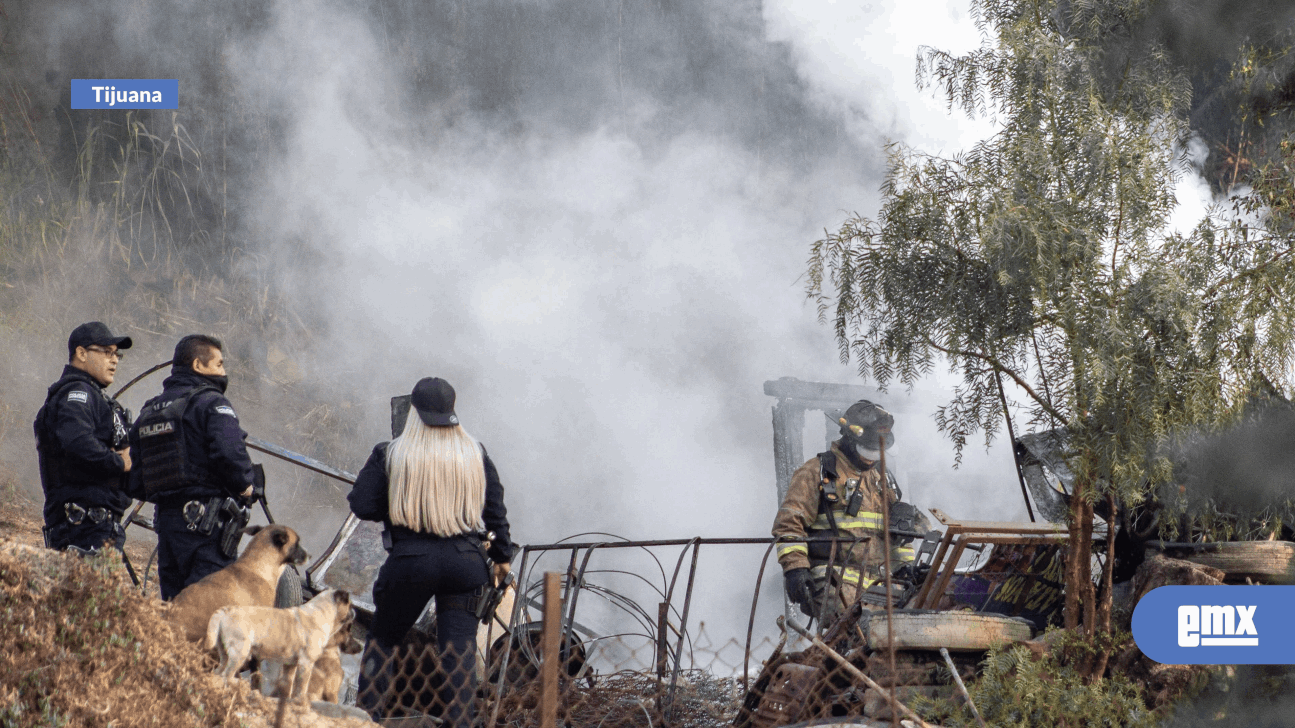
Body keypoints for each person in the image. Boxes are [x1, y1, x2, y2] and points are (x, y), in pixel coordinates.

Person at [348, 377, 514, 727]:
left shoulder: (390, 453)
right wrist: (501, 557)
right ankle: (460, 723)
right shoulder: (475, 452)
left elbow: (362, 504)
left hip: (411, 560)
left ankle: (366, 719)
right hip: (466, 561)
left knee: (383, 640)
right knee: (459, 652)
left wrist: (398, 507)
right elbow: (496, 510)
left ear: (414, 412)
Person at [127, 334, 256, 600]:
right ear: (199, 366)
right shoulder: (212, 403)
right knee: (207, 610)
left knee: (175, 610)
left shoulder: (150, 410)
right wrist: (246, 486)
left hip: (167, 525)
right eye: (219, 364)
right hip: (207, 530)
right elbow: (229, 452)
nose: (223, 372)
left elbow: (135, 477)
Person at [772, 399, 925, 622]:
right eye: (867, 451)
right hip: (833, 579)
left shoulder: (882, 478)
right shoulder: (816, 472)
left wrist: (904, 567)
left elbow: (899, 536)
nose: (870, 459)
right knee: (856, 635)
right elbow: (788, 524)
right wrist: (795, 568)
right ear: (849, 439)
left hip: (880, 582)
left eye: (876, 453)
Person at [34, 322, 134, 553]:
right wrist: (120, 462)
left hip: (96, 526)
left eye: (116, 354)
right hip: (83, 526)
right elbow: (77, 442)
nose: (115, 360)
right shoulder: (76, 393)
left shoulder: (94, 396)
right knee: (89, 589)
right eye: (107, 352)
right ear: (81, 353)